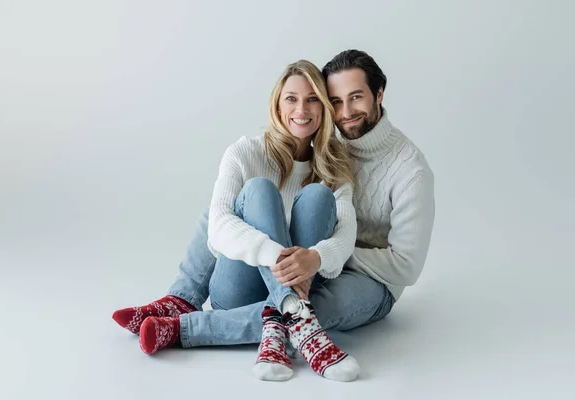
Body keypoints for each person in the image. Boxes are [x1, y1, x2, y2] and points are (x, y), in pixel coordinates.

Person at [113, 49, 436, 381]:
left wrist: (316, 257)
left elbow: (404, 264)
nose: (346, 112)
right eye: (336, 101)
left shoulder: (397, 168)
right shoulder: (262, 150)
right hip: (272, 277)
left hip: (357, 277)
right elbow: (223, 223)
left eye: (355, 97)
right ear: (278, 104)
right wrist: (290, 255)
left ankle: (185, 326)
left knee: (315, 202)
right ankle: (187, 299)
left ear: (379, 95)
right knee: (246, 196)